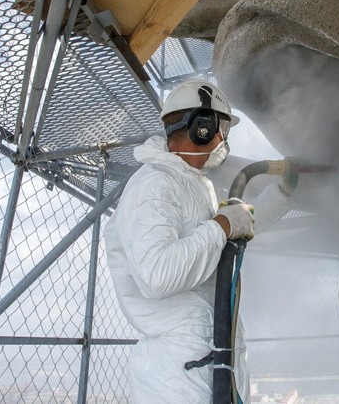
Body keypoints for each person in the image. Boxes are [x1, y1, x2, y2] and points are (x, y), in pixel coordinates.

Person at [104, 79, 297, 403]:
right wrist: (221, 225)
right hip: (180, 374)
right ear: (202, 128)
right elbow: (158, 275)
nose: (224, 140)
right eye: (222, 129)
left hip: (206, 353)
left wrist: (282, 193)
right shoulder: (155, 184)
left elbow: (231, 231)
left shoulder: (192, 184)